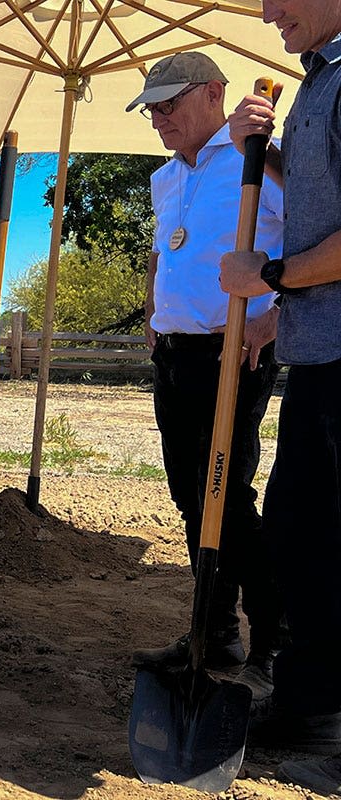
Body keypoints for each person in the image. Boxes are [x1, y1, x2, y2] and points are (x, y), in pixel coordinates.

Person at [123, 53, 287, 705]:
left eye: (169, 104)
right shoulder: (167, 179)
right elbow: (168, 248)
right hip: (177, 356)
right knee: (191, 495)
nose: (158, 119)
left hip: (234, 353)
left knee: (228, 496)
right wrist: (155, 309)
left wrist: (270, 321)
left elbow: (308, 245)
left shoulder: (258, 161)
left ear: (215, 93)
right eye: (152, 109)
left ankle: (273, 644)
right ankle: (213, 633)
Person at [218, 1, 341, 793]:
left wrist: (270, 275)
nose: (266, 11)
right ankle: (311, 704)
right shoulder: (319, 83)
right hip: (315, 346)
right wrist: (258, 147)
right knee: (301, 536)